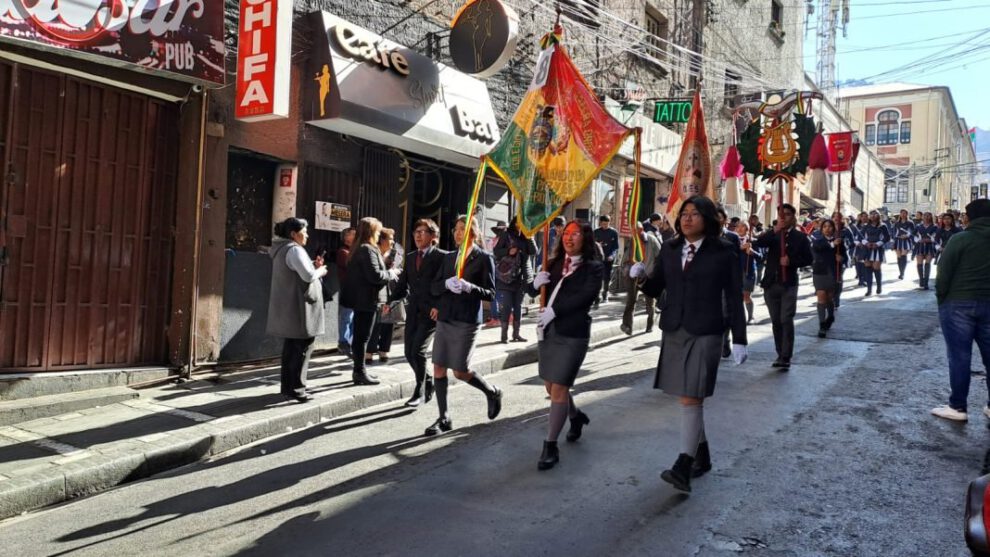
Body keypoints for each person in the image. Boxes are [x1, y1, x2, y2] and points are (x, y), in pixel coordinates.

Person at [631, 195, 748, 493]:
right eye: (684, 213)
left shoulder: (724, 251)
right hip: (674, 327)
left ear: (708, 219)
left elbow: (734, 296)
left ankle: (683, 464)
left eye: (695, 214)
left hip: (707, 330)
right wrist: (642, 278)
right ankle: (703, 455)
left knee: (691, 398)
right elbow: (659, 287)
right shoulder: (670, 249)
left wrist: (740, 339)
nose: (687, 218)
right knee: (688, 396)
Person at [528, 220, 604, 470]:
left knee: (559, 387)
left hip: (573, 333)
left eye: (576, 234)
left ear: (586, 238)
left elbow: (585, 297)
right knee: (551, 387)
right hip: (549, 332)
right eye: (566, 234)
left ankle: (550, 445)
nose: (569, 238)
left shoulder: (593, 267)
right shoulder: (554, 263)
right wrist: (534, 284)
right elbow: (533, 291)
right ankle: (575, 416)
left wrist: (556, 311)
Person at [426, 215, 502, 436]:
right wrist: (445, 284)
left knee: (460, 371)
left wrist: (469, 287)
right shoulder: (449, 258)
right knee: (439, 366)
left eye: (463, 229)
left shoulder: (483, 258)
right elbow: (434, 287)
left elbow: (491, 293)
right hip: (446, 317)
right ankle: (444, 417)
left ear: (474, 233)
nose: (458, 233)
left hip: (467, 319)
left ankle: (491, 392)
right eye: (456, 229)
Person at [930, 199, 990, 422]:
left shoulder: (960, 239)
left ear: (970, 217)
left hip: (958, 304)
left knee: (959, 356)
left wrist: (942, 301)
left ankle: (958, 406)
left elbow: (943, 274)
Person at [266, 218, 327, 403]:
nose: (307, 234)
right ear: (293, 234)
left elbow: (298, 269)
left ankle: (287, 387)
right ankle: (297, 389)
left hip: (289, 305)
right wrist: (321, 271)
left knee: (292, 347)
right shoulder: (293, 249)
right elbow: (307, 276)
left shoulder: (282, 249)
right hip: (299, 307)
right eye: (304, 231)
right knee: (302, 347)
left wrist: (311, 265)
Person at [747, 203, 813, 370]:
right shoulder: (773, 234)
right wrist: (775, 230)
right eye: (781, 215)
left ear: (794, 217)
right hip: (771, 283)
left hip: (788, 283)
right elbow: (759, 243)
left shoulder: (800, 237)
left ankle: (786, 356)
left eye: (788, 215)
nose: (784, 218)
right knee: (776, 320)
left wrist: (792, 262)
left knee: (786, 319)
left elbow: (808, 259)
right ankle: (779, 352)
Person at [391, 219, 446, 407]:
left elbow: (445, 285)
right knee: (408, 352)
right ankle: (428, 379)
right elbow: (402, 286)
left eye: (423, 231)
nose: (418, 235)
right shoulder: (411, 256)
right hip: (413, 310)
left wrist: (439, 306)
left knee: (418, 351)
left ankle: (419, 391)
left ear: (433, 237)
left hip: (431, 312)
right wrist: (390, 302)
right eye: (416, 231)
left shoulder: (442, 257)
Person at [340, 218, 399, 386]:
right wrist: (391, 273)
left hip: (362, 299)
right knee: (362, 338)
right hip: (367, 300)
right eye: (378, 231)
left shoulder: (359, 248)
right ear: (371, 232)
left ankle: (359, 371)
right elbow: (375, 276)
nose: (380, 234)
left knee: (360, 337)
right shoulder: (368, 249)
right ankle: (360, 372)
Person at [493, 218, 537, 343]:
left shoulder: (526, 236)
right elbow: (496, 252)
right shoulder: (506, 235)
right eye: (519, 223)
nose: (520, 226)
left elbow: (534, 251)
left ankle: (516, 335)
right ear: (514, 223)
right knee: (506, 307)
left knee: (518, 307)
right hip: (506, 277)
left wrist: (530, 236)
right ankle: (504, 336)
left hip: (520, 278)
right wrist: (508, 251)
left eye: (523, 224)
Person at [367, 228, 401, 365]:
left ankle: (384, 351)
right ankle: (368, 352)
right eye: (390, 238)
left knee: (388, 322)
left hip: (389, 291)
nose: (392, 242)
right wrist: (390, 270)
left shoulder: (393, 253)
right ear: (382, 240)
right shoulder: (374, 253)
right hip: (376, 292)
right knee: (375, 324)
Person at [621, 222, 661, 335]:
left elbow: (660, 256)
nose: (633, 233)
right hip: (633, 276)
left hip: (648, 275)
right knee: (630, 301)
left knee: (649, 301)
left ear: (641, 229)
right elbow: (626, 258)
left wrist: (654, 272)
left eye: (636, 230)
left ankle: (650, 324)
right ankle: (627, 326)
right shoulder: (632, 241)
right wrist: (626, 270)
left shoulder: (651, 240)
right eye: (632, 231)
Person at [810, 220, 847, 338]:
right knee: (821, 297)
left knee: (829, 298)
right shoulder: (817, 241)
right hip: (820, 272)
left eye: (830, 226)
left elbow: (845, 257)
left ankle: (830, 316)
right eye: (824, 226)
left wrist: (841, 259)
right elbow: (818, 250)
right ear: (821, 229)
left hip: (833, 273)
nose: (827, 229)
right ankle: (822, 326)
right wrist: (832, 245)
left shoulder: (840, 242)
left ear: (834, 228)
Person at [735, 221, 763, 323]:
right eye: (738, 226)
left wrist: (752, 252)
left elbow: (761, 257)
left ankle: (750, 317)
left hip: (748, 271)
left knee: (746, 295)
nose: (740, 228)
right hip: (735, 272)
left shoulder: (753, 241)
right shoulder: (733, 240)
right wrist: (739, 248)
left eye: (743, 226)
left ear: (747, 229)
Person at [858, 210, 891, 296]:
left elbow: (887, 237)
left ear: (878, 215)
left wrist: (878, 244)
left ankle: (879, 286)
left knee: (876, 268)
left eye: (875, 214)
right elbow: (860, 237)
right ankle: (869, 289)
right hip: (867, 249)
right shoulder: (866, 226)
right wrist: (866, 243)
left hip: (878, 249)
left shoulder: (883, 226)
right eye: (871, 214)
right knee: (868, 268)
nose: (873, 216)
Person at [335, 227, 356, 357]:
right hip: (348, 288)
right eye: (352, 234)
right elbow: (352, 266)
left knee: (353, 318)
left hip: (356, 289)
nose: (355, 236)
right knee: (346, 317)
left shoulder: (353, 251)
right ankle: (343, 343)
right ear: (346, 237)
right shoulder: (343, 252)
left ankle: (351, 342)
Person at [593, 215, 619, 306]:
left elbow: (616, 247)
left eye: (607, 224)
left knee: (607, 277)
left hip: (608, 259)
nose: (605, 225)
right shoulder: (595, 232)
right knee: (597, 277)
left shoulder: (613, 232)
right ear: (600, 223)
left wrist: (612, 255)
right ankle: (597, 296)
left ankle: (605, 294)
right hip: (598, 259)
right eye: (603, 224)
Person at [914, 212, 939, 290]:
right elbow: (913, 235)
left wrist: (931, 240)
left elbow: (937, 235)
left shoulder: (935, 226)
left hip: (930, 246)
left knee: (927, 264)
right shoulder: (918, 226)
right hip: (920, 246)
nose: (926, 217)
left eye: (928, 216)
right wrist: (918, 240)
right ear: (922, 217)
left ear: (931, 217)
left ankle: (926, 282)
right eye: (925, 216)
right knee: (919, 264)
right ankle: (921, 279)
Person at [891, 209, 916, 280]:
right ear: (900, 214)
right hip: (898, 240)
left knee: (903, 255)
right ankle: (900, 272)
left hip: (906, 241)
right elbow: (894, 233)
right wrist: (893, 241)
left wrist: (907, 236)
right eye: (902, 213)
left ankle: (902, 273)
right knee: (899, 256)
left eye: (905, 213)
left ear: (907, 214)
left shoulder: (910, 223)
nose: (903, 214)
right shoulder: (897, 223)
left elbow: (913, 232)